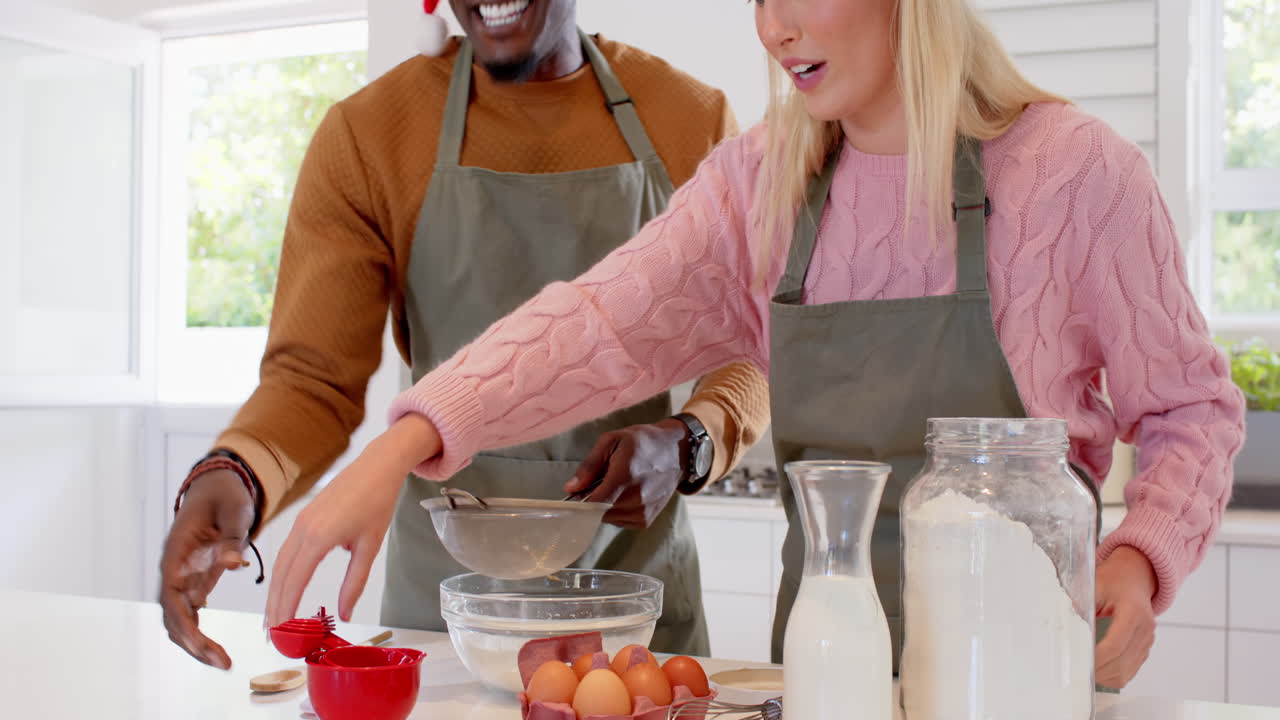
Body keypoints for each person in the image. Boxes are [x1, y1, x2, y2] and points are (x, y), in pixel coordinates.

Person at [263, 0, 1246, 690]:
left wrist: (1136, 558)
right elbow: (596, 322)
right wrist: (406, 440)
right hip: (823, 670)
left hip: (1017, 671)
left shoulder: (1069, 174)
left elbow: (1188, 407)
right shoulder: (760, 186)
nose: (774, 26)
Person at [159, 0, 774, 671]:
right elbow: (312, 382)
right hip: (448, 621)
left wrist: (690, 441)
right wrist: (230, 478)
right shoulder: (370, 137)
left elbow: (756, 346)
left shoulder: (691, 119)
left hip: (632, 616)